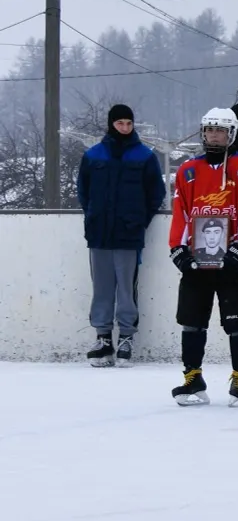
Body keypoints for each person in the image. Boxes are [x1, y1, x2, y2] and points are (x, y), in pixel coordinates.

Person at [166, 108, 238, 405]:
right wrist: (178, 249)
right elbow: (181, 211)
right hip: (198, 259)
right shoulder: (188, 169)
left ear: (232, 133)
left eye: (220, 130)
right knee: (192, 321)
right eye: (209, 130)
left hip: (232, 260)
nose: (214, 135)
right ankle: (192, 378)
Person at [78, 104, 166, 367]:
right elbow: (84, 191)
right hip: (99, 234)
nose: (125, 127)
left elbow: (156, 194)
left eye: (128, 123)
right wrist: (94, 215)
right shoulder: (93, 155)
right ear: (111, 124)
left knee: (127, 288)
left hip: (129, 235)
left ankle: (126, 336)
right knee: (101, 288)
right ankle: (103, 338)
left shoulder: (144, 156)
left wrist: (140, 221)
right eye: (120, 123)